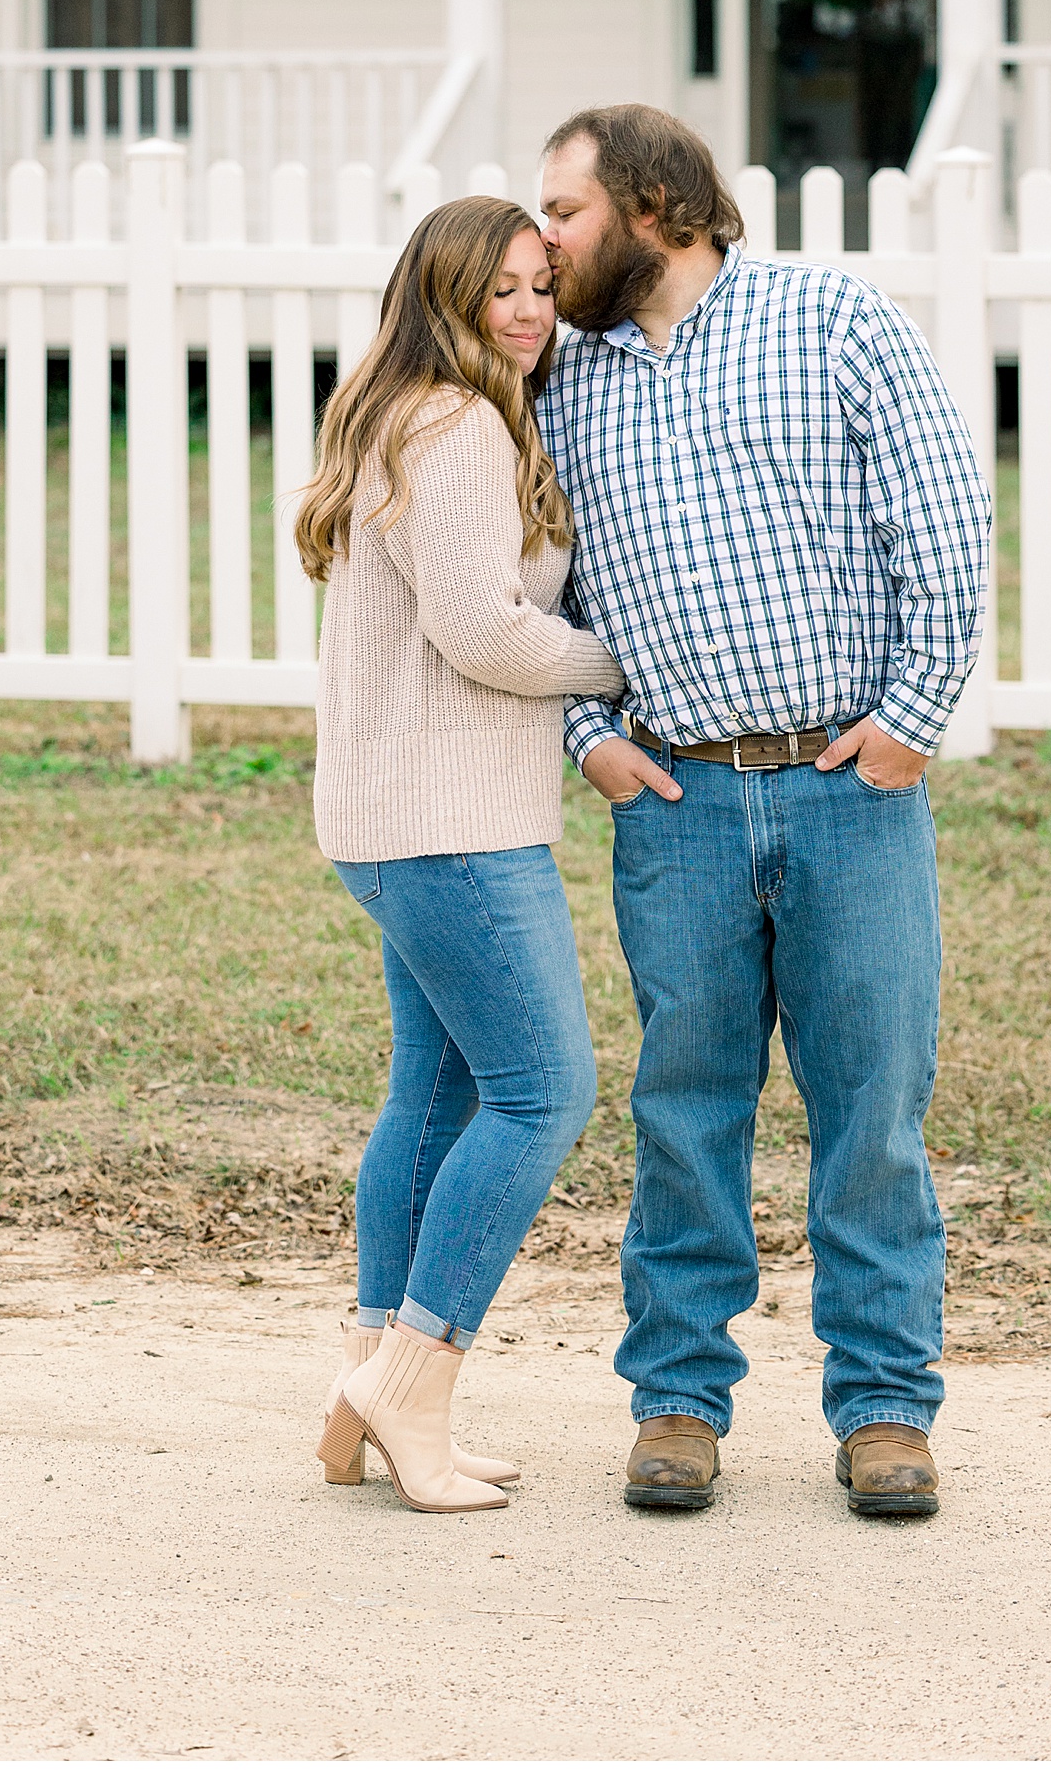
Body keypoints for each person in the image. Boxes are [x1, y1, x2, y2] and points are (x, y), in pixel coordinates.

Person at [535, 104, 989, 1522]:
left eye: (565, 212)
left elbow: (949, 518)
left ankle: (884, 1408)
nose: (540, 244)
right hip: (673, 797)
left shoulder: (832, 319)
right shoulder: (565, 376)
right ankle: (676, 1397)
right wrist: (588, 738)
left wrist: (910, 727)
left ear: (655, 205)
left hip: (846, 789)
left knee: (872, 1107)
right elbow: (524, 583)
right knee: (686, 1106)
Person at [298, 196, 625, 1515]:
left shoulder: (402, 410)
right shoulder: (458, 420)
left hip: (395, 821)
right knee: (546, 1091)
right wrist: (623, 662)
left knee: (431, 1099)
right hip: (453, 827)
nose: (530, 310)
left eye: (543, 284)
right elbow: (482, 630)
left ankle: (369, 1378)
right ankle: (414, 1381)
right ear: (442, 296)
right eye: (499, 288)